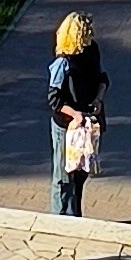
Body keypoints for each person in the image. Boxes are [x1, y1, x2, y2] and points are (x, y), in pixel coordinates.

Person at [47, 12, 107, 216]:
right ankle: (60, 216)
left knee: (81, 172)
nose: (90, 35)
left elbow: (102, 78)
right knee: (64, 175)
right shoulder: (62, 63)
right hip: (66, 127)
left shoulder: (92, 51)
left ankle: (75, 216)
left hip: (87, 124)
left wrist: (98, 99)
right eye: (85, 32)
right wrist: (74, 114)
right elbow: (54, 99)